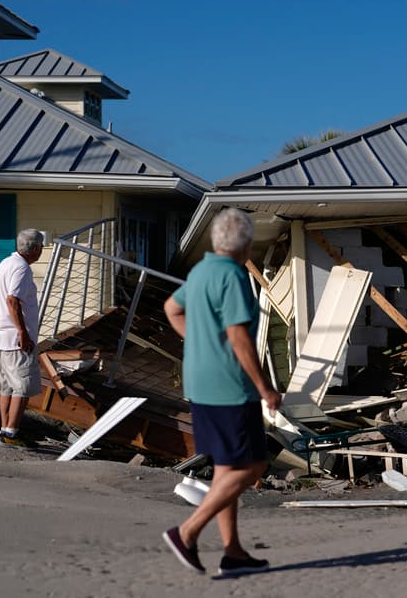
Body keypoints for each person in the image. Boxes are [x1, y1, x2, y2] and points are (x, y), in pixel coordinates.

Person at [162, 208, 282, 577]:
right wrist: (266, 388)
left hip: (200, 383)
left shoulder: (200, 272)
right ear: (246, 244)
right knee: (254, 464)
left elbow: (171, 308)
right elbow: (239, 337)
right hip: (230, 387)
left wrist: (199, 342)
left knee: (227, 468)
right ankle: (187, 532)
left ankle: (233, 552)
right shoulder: (233, 276)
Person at [0, 228, 45, 444]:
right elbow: (13, 300)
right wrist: (23, 333)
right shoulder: (21, 268)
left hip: (3, 336)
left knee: (8, 386)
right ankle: (12, 433)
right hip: (16, 338)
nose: (41, 251)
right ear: (33, 249)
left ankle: (5, 429)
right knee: (22, 386)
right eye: (40, 247)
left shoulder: (6, 263)